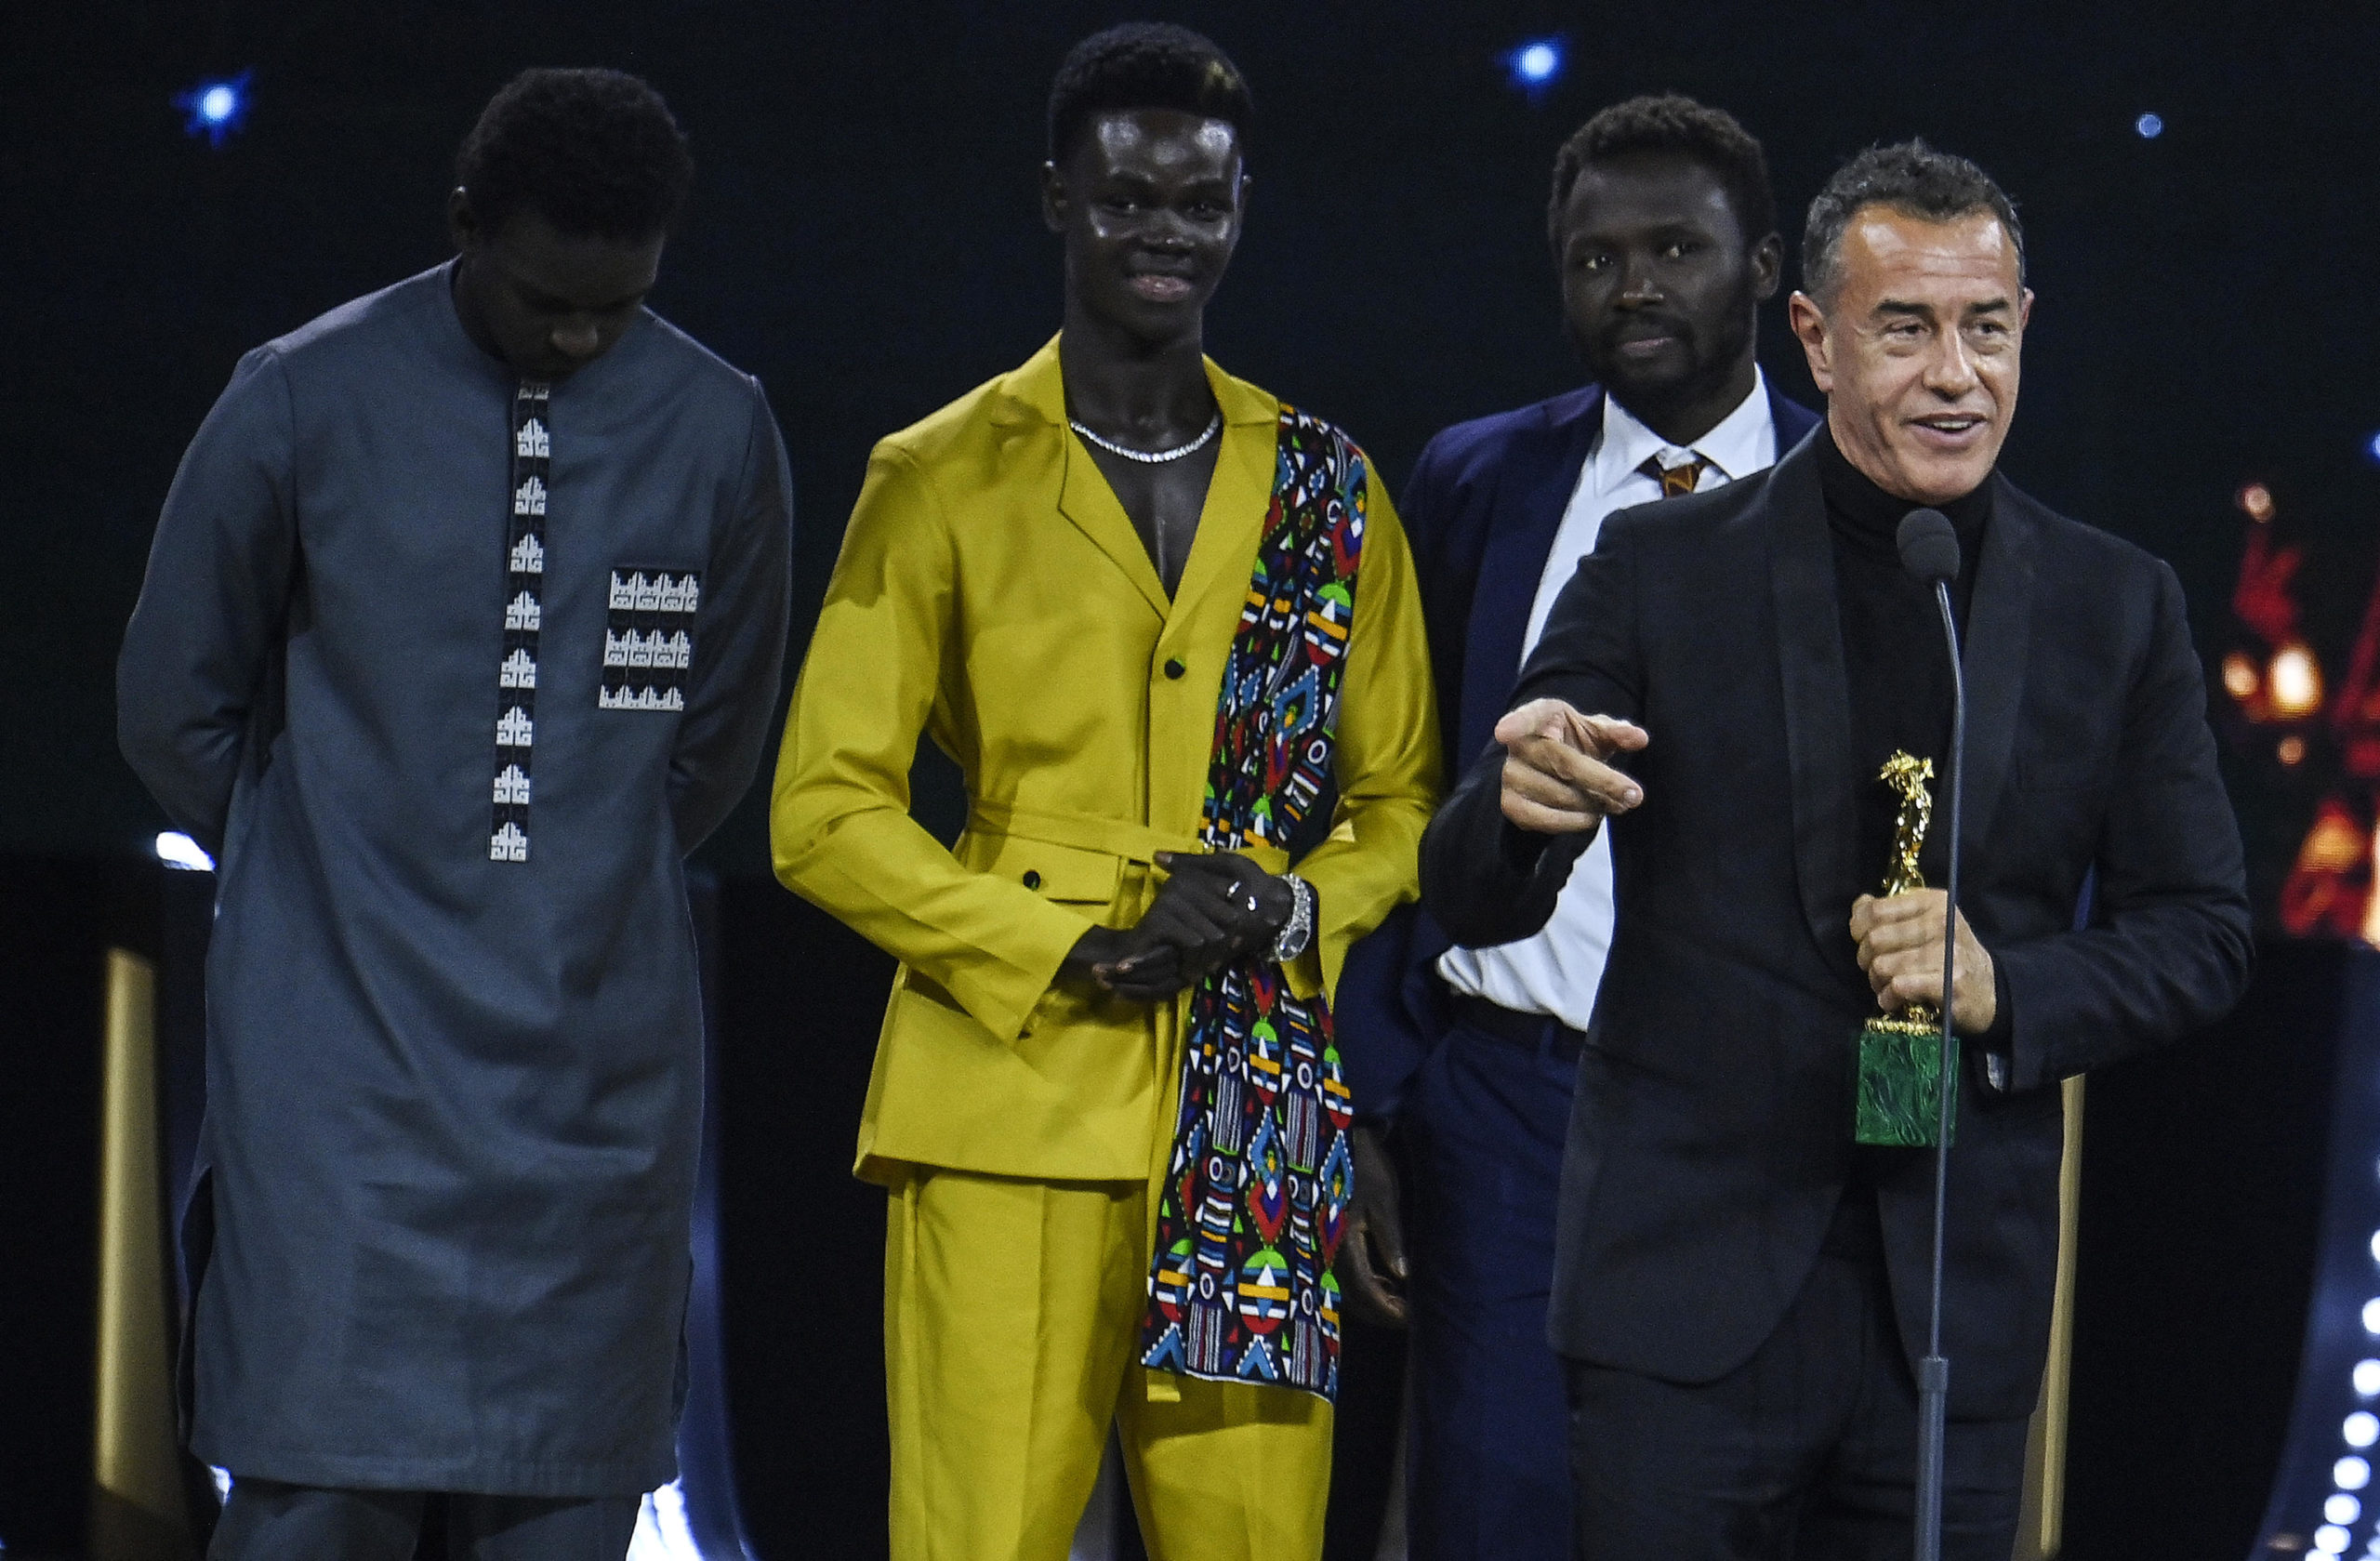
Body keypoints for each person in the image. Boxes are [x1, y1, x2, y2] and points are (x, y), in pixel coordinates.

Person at [1416, 140, 2251, 1559]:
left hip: (1947, 1322)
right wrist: (1517, 807)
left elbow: (2203, 933)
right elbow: (1470, 887)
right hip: (1684, 1308)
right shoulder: (1660, 567)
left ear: (2027, 329)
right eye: (1905, 329)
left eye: (1986, 330)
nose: (1954, 376)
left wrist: (2005, 987)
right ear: (1813, 337)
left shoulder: (2117, 606)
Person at [770, 23, 1437, 1561]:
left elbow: (1402, 803)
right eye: (1130, 198)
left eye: (1200, 203)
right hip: (1009, 1092)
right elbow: (823, 807)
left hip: (1252, 1099)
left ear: (1242, 208)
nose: (1166, 233)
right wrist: (1053, 943)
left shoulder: (1326, 485)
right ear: (1057, 198)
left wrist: (1287, 903)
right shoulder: (940, 473)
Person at [117, 68, 792, 1560]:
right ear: (465, 223)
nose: (580, 337)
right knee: (312, 1506)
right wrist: (331, 867)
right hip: (337, 1095)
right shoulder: (302, 394)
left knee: (565, 1509)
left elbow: (712, 749)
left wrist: (559, 883)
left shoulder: (718, 427)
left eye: (617, 309)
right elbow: (173, 706)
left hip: (597, 1102)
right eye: (548, 301)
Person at [1329, 95, 1818, 1559]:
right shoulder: (1478, 479)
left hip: (1761, 1126)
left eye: (1676, 248)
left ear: (1765, 268)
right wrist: (1374, 1103)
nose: (1635, 286)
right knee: (1495, 1520)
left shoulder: (1852, 501)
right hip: (1506, 1111)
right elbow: (1396, 790)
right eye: (1596, 258)